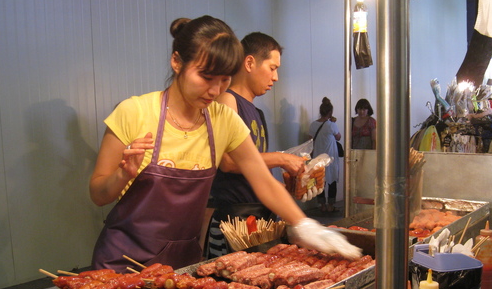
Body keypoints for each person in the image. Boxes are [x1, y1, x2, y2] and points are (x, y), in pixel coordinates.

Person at [89, 15, 360, 272]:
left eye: (224, 80)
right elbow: (98, 194)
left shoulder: (223, 120)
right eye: (206, 77)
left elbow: (262, 180)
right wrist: (123, 174)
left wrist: (305, 224)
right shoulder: (134, 112)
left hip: (181, 267)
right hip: (121, 265)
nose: (215, 90)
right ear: (176, 62)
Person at [207, 32, 306, 258]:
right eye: (272, 68)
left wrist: (288, 190)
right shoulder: (227, 100)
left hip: (261, 220)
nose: (276, 77)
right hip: (234, 223)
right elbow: (229, 162)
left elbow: (256, 172)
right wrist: (282, 158)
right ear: (249, 62)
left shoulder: (258, 113)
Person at [309, 97, 341, 213]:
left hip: (317, 157)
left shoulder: (313, 125)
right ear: (330, 112)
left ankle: (322, 205)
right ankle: (330, 206)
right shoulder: (331, 125)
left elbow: (310, 141)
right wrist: (333, 122)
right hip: (331, 157)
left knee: (320, 181)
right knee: (332, 181)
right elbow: (338, 137)